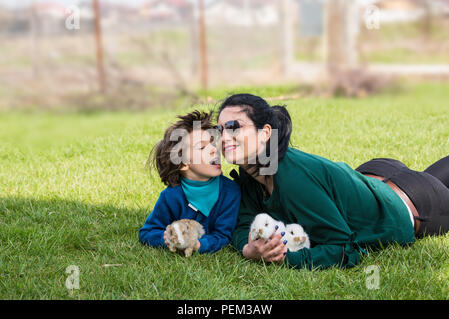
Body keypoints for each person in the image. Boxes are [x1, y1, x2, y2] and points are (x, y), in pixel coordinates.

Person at [216, 93, 449, 269]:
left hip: (413, 203)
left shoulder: (292, 177)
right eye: (219, 130)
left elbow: (344, 250)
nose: (225, 137)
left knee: (431, 180)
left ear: (265, 133)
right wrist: (249, 249)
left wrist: (283, 257)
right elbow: (244, 223)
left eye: (234, 127)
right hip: (374, 174)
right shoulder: (249, 172)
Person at [139, 110, 241, 254]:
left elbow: (223, 235)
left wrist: (198, 245)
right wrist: (167, 238)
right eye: (202, 147)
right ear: (183, 164)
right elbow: (147, 232)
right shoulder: (170, 196)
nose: (214, 149)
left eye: (212, 143)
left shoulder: (230, 192)